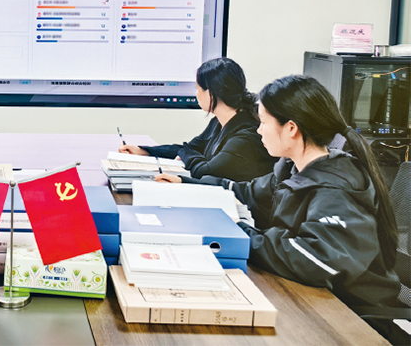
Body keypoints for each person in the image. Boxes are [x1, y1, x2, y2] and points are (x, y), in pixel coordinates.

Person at [156, 75, 401, 310]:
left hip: (347, 312)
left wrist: (241, 232)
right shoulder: (294, 168)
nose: (258, 130)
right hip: (308, 294)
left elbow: (315, 259)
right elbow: (247, 192)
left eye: (263, 122)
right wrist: (188, 184)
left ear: (291, 128)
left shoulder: (335, 188)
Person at [119, 57, 275, 181]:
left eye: (198, 88)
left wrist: (185, 152)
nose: (196, 94)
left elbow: (204, 171)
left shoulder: (246, 135)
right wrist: (144, 151)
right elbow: (190, 148)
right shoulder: (218, 122)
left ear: (211, 93)